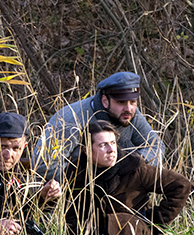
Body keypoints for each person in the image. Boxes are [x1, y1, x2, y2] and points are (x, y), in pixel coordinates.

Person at [64, 121, 191, 235]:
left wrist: (156, 220)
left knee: (122, 222)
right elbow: (72, 217)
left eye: (113, 143)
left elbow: (181, 184)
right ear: (86, 150)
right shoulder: (75, 174)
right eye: (103, 145)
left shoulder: (133, 167)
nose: (111, 149)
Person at [32, 71, 166, 182]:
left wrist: (135, 164)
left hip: (119, 191)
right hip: (74, 196)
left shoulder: (129, 114)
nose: (129, 108)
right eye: (121, 102)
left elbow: (156, 146)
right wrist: (92, 179)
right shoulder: (71, 120)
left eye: (133, 102)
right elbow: (43, 164)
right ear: (104, 101)